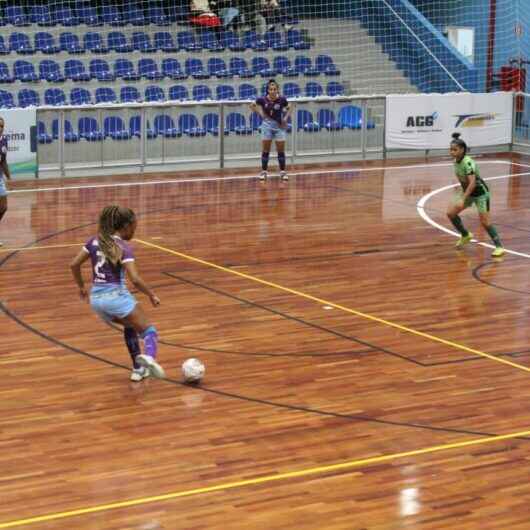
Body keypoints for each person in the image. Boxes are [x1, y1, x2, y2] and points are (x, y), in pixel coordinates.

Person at [70, 205, 165, 382]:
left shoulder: (93, 241)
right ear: (126, 226)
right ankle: (149, 359)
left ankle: (137, 370)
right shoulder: (123, 247)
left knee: (130, 325)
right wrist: (151, 294)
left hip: (96, 301)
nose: (134, 232)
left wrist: (82, 286)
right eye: (134, 228)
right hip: (116, 297)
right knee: (149, 331)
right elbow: (135, 279)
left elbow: (74, 264)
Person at [447, 132, 505, 257]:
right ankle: (465, 235)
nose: (451, 152)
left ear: (462, 150)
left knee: (485, 222)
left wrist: (463, 198)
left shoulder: (468, 163)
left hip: (480, 194)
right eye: (450, 149)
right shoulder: (455, 161)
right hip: (468, 193)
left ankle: (499, 247)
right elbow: (463, 180)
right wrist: (461, 192)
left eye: (454, 150)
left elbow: (472, 183)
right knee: (451, 213)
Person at [250, 79, 291, 181]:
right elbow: (251, 105)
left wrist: (285, 118)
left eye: (274, 89)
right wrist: (260, 113)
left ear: (277, 90)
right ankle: (264, 172)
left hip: (279, 126)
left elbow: (290, 107)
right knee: (266, 150)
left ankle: (282, 172)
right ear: (268, 90)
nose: (272, 91)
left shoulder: (282, 99)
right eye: (270, 89)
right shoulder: (263, 99)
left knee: (281, 150)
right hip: (267, 126)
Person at [0, 117, 12, 247]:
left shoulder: (4, 140)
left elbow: (3, 160)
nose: (1, 128)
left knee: (3, 207)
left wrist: (9, 177)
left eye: (2, 126)